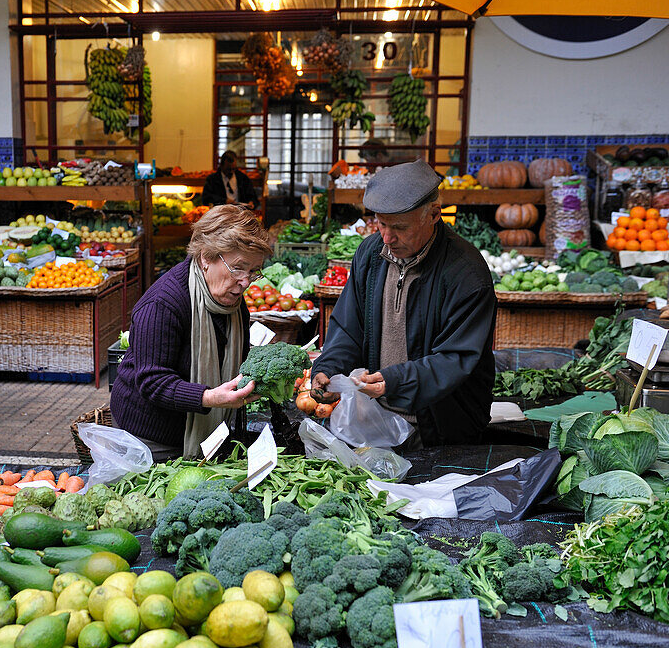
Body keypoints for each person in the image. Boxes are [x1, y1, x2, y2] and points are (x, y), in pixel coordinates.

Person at [311, 160, 496, 448]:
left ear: (434, 214)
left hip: (442, 428)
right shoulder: (371, 254)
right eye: (381, 223)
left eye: (399, 227)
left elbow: (456, 358)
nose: (387, 237)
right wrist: (328, 368)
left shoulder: (466, 273)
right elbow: (348, 327)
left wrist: (395, 381)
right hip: (376, 420)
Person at [110, 205, 271, 459]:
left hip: (208, 433)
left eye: (254, 271)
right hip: (150, 439)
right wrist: (210, 397)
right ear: (206, 257)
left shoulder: (234, 305)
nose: (245, 281)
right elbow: (151, 381)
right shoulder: (164, 304)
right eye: (238, 268)